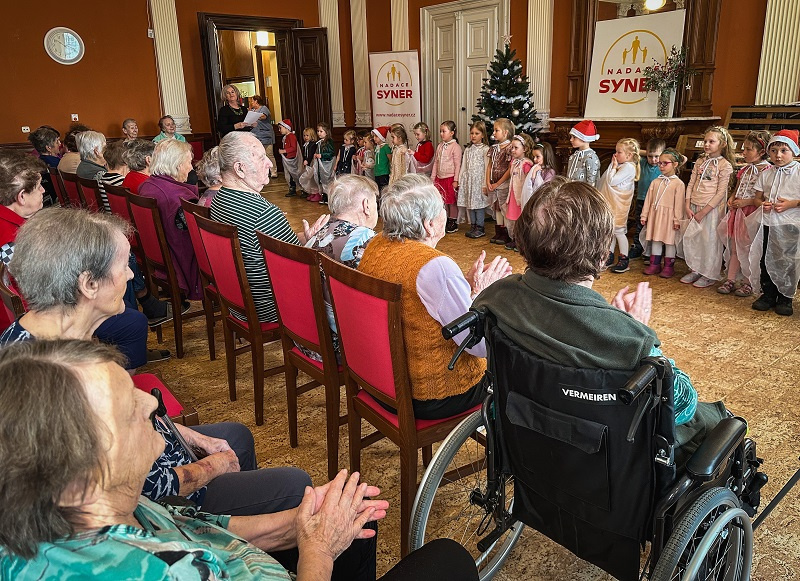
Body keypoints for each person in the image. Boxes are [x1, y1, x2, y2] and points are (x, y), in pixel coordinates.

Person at [0, 339, 481, 580]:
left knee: (345, 523)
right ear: (80, 477)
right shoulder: (153, 572)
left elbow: (203, 526)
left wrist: (302, 525)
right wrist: (316, 552)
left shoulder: (105, 504)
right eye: (129, 409)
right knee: (449, 561)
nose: (151, 403)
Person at [473, 177, 728, 466]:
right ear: (603, 251)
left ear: (523, 241)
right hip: (603, 464)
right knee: (717, 421)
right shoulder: (626, 339)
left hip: (527, 447)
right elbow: (682, 405)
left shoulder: (496, 296)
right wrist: (633, 328)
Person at [358, 174, 512, 419]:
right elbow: (479, 346)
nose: (445, 212)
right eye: (442, 208)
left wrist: (465, 288)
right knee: (512, 361)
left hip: (380, 384)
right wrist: (483, 293)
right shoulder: (433, 267)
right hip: (433, 395)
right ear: (429, 224)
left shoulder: (376, 245)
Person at [1, 208, 165, 370]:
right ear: (89, 284)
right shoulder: (60, 373)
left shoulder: (41, 330)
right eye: (124, 266)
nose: (130, 275)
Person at [210, 131, 329, 324]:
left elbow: (270, 245)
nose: (271, 164)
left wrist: (306, 237)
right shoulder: (262, 213)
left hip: (237, 302)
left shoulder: (219, 199)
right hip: (269, 307)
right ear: (240, 169)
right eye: (262, 158)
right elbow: (298, 263)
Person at [302, 175, 378, 362]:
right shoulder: (366, 241)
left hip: (310, 338)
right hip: (344, 347)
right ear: (366, 205)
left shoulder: (317, 233)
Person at [138, 138, 202, 301]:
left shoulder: (147, 185)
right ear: (177, 165)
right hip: (184, 265)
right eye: (189, 162)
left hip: (158, 259)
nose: (191, 167)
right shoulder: (178, 198)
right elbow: (199, 236)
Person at [749, 129, 800, 316]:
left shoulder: (798, 172)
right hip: (769, 223)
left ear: (794, 151)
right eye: (774, 150)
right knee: (766, 258)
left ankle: (785, 297)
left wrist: (791, 204)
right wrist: (762, 204)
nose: (778, 155)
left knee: (787, 260)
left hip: (790, 224)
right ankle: (768, 294)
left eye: (783, 151)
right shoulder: (767, 173)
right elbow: (757, 198)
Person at [717, 130, 772, 297]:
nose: (744, 152)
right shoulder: (746, 169)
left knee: (750, 249)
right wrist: (733, 198)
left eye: (748, 149)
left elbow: (762, 196)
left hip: (752, 213)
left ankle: (749, 282)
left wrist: (746, 202)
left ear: (762, 152)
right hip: (738, 212)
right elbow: (738, 186)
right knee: (735, 246)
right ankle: (731, 279)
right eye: (744, 149)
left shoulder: (767, 171)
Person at [681, 126, 736, 288]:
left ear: (723, 144)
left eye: (711, 141)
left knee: (709, 240)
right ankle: (695, 268)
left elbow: (720, 193)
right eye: (705, 141)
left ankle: (709, 273)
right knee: (694, 239)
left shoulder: (725, 165)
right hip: (694, 206)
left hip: (710, 210)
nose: (706, 144)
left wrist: (704, 211)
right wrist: (687, 204)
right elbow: (691, 183)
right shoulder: (700, 161)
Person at [641, 148, 687, 279]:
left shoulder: (678, 184)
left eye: (664, 163)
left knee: (669, 242)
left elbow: (679, 205)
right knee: (655, 240)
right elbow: (648, 200)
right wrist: (644, 215)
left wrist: (677, 220)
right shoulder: (656, 182)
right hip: (656, 216)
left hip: (670, 218)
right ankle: (654, 264)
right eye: (659, 163)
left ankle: (668, 266)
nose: (661, 166)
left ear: (675, 164)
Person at [599, 137, 640, 273]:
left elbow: (612, 181)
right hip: (612, 203)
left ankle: (624, 259)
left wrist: (614, 167)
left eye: (619, 152)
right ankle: (609, 256)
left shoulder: (628, 167)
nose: (615, 155)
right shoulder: (624, 165)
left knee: (619, 232)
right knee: (611, 231)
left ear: (629, 155)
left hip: (619, 205)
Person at [0, 150, 46, 266]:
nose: (43, 190)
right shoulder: (12, 242)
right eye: (39, 186)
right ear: (22, 196)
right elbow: (23, 283)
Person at [630, 138, 665, 260]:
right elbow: (633, 151)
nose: (654, 160)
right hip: (641, 200)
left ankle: (649, 251)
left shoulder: (663, 167)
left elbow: (683, 159)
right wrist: (648, 153)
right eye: (651, 156)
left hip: (657, 202)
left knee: (653, 226)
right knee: (640, 224)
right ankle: (637, 247)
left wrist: (662, 156)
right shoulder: (643, 163)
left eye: (657, 156)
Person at [504, 133, 535, 252]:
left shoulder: (526, 164)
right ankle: (515, 238)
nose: (512, 150)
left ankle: (522, 241)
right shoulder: (514, 162)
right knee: (513, 219)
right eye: (512, 147)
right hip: (513, 195)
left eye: (516, 148)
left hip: (521, 196)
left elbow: (529, 181)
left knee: (521, 218)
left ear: (525, 149)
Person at [459, 120, 490, 239]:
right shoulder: (468, 150)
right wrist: (461, 180)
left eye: (477, 133)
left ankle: (480, 227)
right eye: (472, 133)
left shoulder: (485, 149)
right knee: (470, 205)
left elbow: (487, 167)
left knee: (479, 206)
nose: (473, 136)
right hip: (469, 182)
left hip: (479, 182)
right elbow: (464, 166)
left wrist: (485, 184)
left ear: (482, 135)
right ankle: (473, 225)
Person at [431, 121, 462, 234]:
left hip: (450, 178)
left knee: (451, 201)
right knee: (443, 201)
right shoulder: (440, 146)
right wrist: (433, 178)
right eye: (441, 131)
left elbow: (458, 164)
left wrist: (456, 180)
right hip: (440, 178)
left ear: (452, 133)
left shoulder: (456, 147)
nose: (441, 134)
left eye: (444, 131)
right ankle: (446, 219)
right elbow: (436, 163)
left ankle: (453, 221)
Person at [486, 118, 514, 244]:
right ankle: (498, 232)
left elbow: (509, 168)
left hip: (503, 184)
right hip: (493, 184)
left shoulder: (510, 148)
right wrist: (488, 181)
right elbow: (489, 165)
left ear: (505, 133)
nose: (494, 133)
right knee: (496, 207)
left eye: (497, 130)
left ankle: (506, 233)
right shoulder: (493, 148)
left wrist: (498, 183)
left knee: (503, 207)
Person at [26, 126, 60, 206]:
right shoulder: (55, 162)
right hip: (56, 198)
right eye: (57, 141)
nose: (60, 143)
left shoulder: (38, 161)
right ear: (48, 148)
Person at [520, 141, 558, 210]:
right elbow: (530, 185)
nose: (534, 159)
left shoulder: (550, 172)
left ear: (546, 156)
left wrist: (534, 173)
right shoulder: (535, 168)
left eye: (537, 157)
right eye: (534, 157)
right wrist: (534, 172)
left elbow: (544, 187)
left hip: (543, 202)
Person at [248, 94, 279, 178]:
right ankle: (263, 172)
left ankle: (273, 171)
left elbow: (263, 116)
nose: (251, 103)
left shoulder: (264, 108)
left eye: (252, 101)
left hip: (266, 134)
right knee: (259, 155)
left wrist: (253, 116)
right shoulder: (253, 110)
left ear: (256, 101)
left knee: (269, 154)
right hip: (256, 135)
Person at [566, 119, 601, 187]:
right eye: (571, 137)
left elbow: (592, 181)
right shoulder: (573, 156)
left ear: (584, 139)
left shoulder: (591, 157)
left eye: (574, 137)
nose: (571, 140)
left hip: (583, 194)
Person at [97, 139, 129, 213]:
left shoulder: (102, 178)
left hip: (110, 217)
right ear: (125, 161)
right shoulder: (121, 182)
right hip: (120, 219)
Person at [313, 122, 336, 204]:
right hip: (321, 164)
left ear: (326, 132)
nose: (319, 133)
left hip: (327, 164)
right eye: (318, 131)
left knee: (328, 179)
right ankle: (324, 196)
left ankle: (328, 196)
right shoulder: (319, 142)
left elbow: (331, 153)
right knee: (322, 180)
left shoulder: (329, 141)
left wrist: (322, 155)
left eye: (321, 131)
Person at [278, 119, 301, 197]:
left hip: (292, 159)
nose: (279, 130)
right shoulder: (286, 137)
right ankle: (293, 188)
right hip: (288, 158)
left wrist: (284, 151)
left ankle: (294, 188)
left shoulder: (291, 136)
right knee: (289, 174)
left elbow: (293, 148)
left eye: (280, 128)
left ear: (286, 128)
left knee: (293, 175)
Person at [299, 127, 320, 199]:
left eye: (307, 135)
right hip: (307, 163)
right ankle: (311, 192)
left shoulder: (313, 144)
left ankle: (317, 192)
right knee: (309, 178)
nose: (305, 137)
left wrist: (307, 160)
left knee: (313, 177)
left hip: (312, 162)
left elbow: (311, 154)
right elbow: (305, 154)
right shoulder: (305, 145)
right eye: (304, 135)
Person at [372, 126, 392, 192]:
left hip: (384, 172)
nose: (374, 138)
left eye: (376, 136)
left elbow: (390, 159)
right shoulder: (376, 147)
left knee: (384, 189)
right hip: (377, 172)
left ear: (381, 137)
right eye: (374, 136)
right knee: (378, 189)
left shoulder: (386, 147)